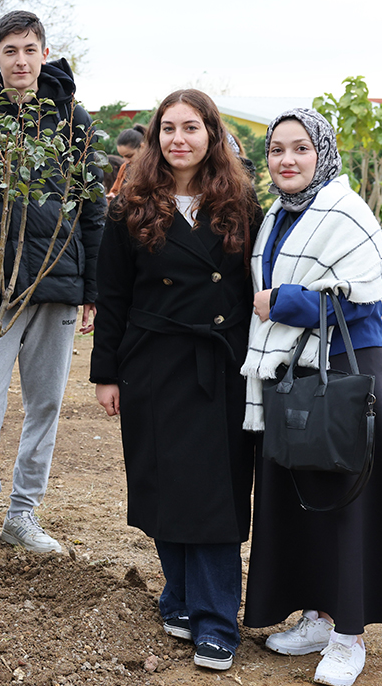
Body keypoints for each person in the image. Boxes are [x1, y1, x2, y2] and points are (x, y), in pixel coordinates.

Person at [241, 108, 382, 686]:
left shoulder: (346, 212)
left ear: (322, 152)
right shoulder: (277, 213)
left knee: (347, 499)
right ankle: (319, 618)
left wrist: (285, 303)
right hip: (291, 370)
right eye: (277, 149)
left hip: (347, 370)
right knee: (301, 493)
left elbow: (365, 298)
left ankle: (349, 637)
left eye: (301, 148)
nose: (287, 160)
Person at [90, 89, 260, 672]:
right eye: (168, 128)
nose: (178, 139)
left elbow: (247, 285)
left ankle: (217, 619)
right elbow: (111, 296)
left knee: (214, 492)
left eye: (191, 127)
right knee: (162, 483)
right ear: (156, 137)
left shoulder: (242, 203)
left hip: (220, 363)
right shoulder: (128, 206)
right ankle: (180, 596)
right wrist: (105, 373)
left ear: (211, 134)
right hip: (151, 361)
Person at [0, 10, 106, 554]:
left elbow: (91, 209)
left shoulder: (73, 119)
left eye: (29, 49)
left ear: (43, 54)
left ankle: (23, 515)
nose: (20, 60)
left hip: (56, 280)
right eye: (9, 50)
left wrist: (91, 288)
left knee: (44, 404)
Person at [109, 124, 146, 198]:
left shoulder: (156, 168)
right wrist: (112, 197)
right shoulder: (124, 168)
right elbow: (115, 191)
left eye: (129, 156)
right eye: (123, 157)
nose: (126, 161)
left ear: (142, 147)